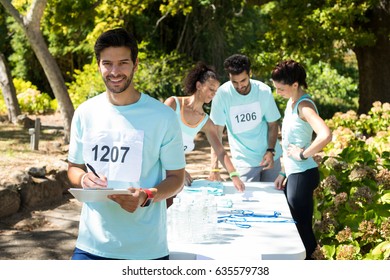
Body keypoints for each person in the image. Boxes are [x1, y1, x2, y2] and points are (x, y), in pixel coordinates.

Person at [67, 28, 186, 260]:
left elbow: (177, 178)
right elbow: (73, 167)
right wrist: (82, 179)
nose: (114, 71)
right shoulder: (85, 113)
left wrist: (146, 196)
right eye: (107, 63)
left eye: (123, 63)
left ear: (135, 64)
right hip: (91, 244)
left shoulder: (163, 116)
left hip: (146, 249)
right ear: (98, 65)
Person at [271, 59, 332, 260]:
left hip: (303, 174)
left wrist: (303, 154)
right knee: (299, 230)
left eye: (281, 89)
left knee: (302, 232)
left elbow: (325, 134)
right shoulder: (292, 102)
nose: (277, 93)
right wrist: (283, 171)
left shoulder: (304, 106)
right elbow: (290, 141)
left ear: (295, 85)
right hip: (295, 174)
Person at [164, 62, 245, 192]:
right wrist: (179, 170)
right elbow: (157, 140)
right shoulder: (173, 104)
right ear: (199, 85)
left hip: (174, 175)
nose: (213, 94)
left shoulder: (206, 122)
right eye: (211, 89)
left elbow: (220, 151)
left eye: (216, 91)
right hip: (158, 170)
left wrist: (234, 176)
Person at [209, 54, 282, 182]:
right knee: (247, 201)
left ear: (250, 74)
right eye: (234, 82)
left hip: (270, 158)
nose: (239, 86)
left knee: (274, 198)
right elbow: (216, 133)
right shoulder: (222, 94)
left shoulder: (263, 91)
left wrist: (271, 151)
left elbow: (273, 124)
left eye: (243, 80)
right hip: (244, 161)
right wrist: (214, 167)